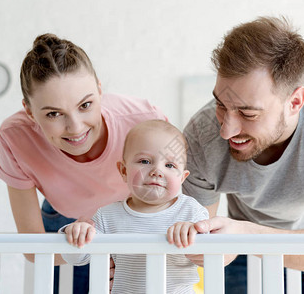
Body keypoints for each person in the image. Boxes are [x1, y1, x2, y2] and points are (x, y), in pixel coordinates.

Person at [182, 16, 304, 294]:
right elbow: (195, 234)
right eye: (221, 105)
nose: (226, 130)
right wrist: (205, 247)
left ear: (295, 102)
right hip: (243, 253)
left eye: (248, 113)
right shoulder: (202, 135)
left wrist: (246, 236)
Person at [0, 34, 166, 294]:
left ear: (99, 90)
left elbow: (174, 204)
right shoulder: (15, 136)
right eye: (53, 113)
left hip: (132, 221)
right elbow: (33, 247)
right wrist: (93, 254)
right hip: (65, 224)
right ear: (29, 111)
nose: (75, 128)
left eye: (85, 105)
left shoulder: (144, 120)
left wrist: (127, 251)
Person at [60, 119, 209, 293]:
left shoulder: (191, 211)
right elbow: (76, 258)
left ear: (182, 178)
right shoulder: (107, 216)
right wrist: (76, 234)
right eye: (145, 161)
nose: (157, 171)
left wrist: (194, 233)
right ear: (123, 171)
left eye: (170, 165)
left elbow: (211, 254)